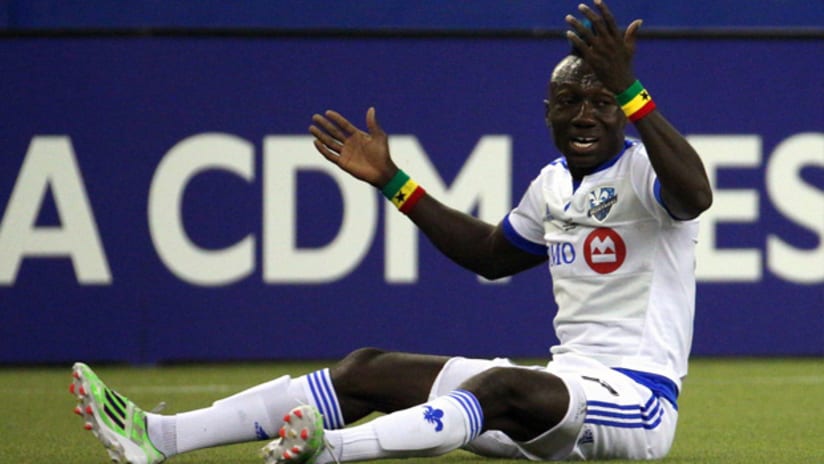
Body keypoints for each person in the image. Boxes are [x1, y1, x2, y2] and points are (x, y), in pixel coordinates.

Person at [70, 1, 712, 462]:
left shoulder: (644, 173)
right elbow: (490, 255)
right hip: (560, 393)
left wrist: (632, 88)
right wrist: (394, 183)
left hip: (636, 406)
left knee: (498, 385)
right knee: (367, 370)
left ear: (623, 114)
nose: (585, 115)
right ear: (546, 113)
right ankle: (163, 436)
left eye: (602, 102)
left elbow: (696, 194)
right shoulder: (551, 184)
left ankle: (328, 452)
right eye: (570, 101)